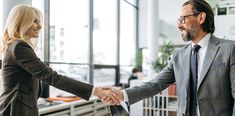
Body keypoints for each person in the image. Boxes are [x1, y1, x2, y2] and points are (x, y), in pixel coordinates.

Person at [102, 0, 235, 116]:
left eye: (183, 19)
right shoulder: (179, 55)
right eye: (179, 20)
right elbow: (155, 84)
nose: (179, 25)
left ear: (201, 18)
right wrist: (122, 94)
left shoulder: (229, 49)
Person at [0, 5, 119, 116]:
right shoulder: (20, 47)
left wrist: (95, 89)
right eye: (34, 21)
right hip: (16, 109)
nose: (40, 26)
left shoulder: (14, 46)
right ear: (21, 22)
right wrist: (95, 91)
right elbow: (51, 77)